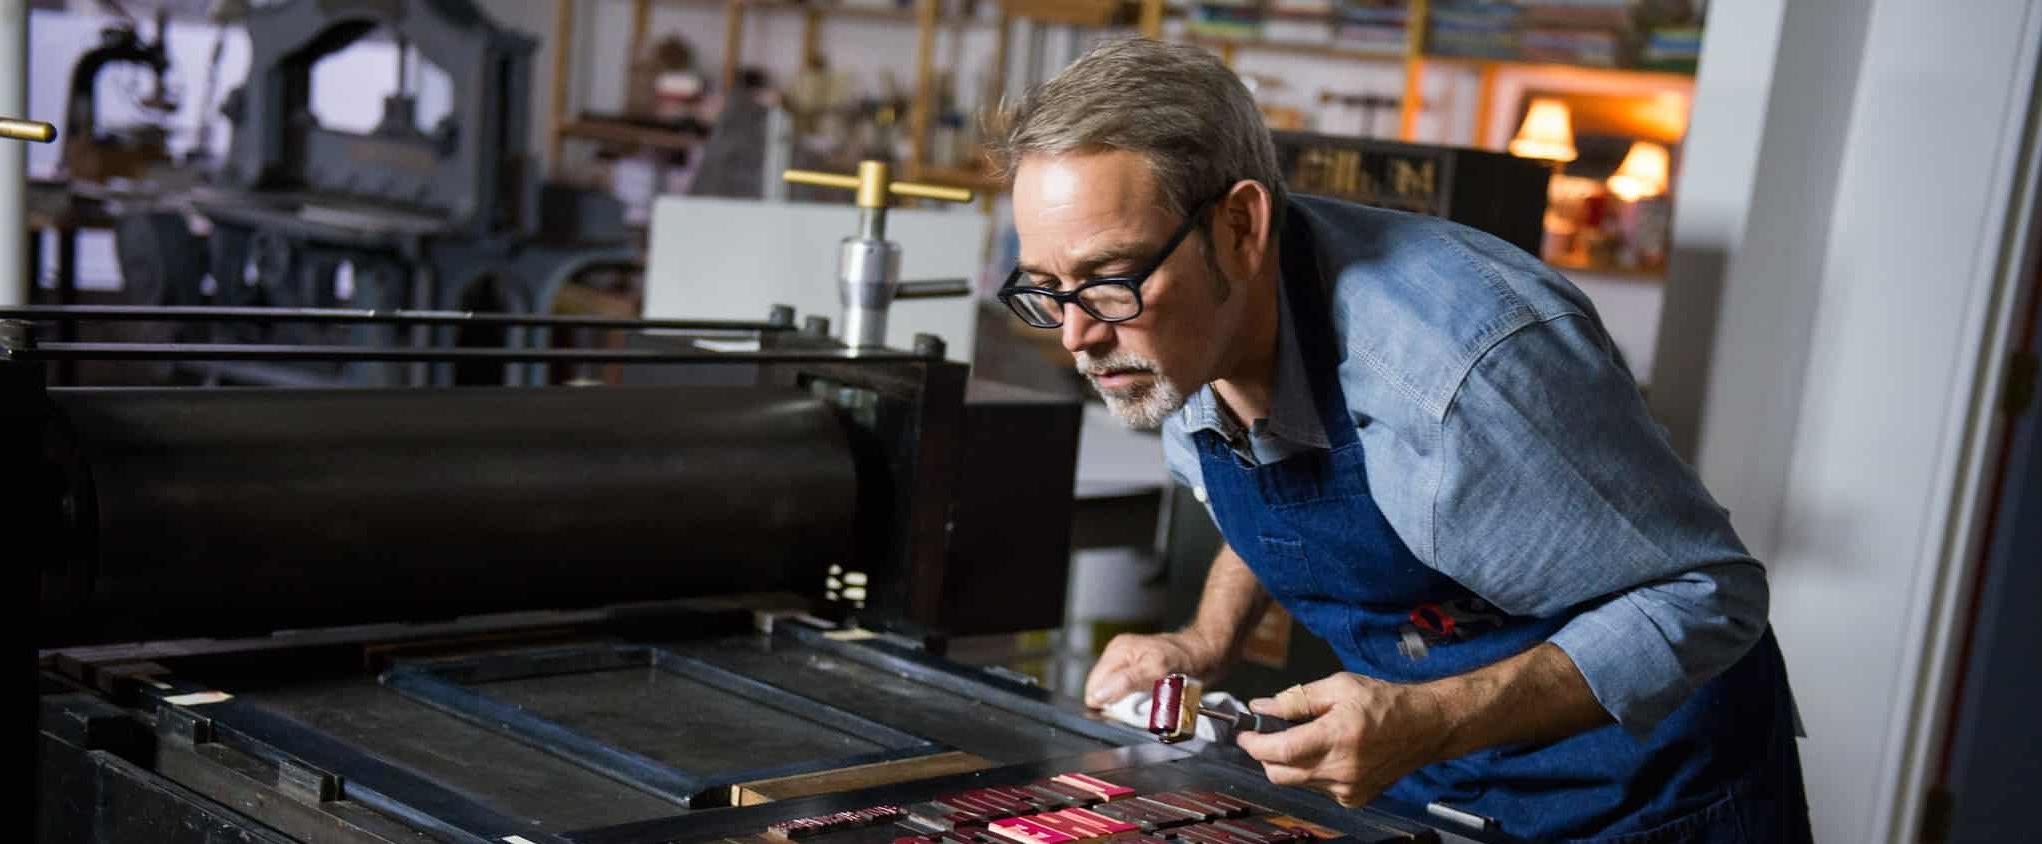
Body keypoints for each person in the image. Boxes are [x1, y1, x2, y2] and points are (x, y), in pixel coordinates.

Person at [988, 37, 1812, 843]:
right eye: (1046, 289)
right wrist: (1205, 640)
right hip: (1434, 782)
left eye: (1109, 279)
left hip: (1645, 799)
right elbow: (1286, 501)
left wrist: (1431, 715)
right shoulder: (1181, 342)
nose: (1075, 335)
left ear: (1240, 227)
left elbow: (1708, 595)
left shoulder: (1461, 368)